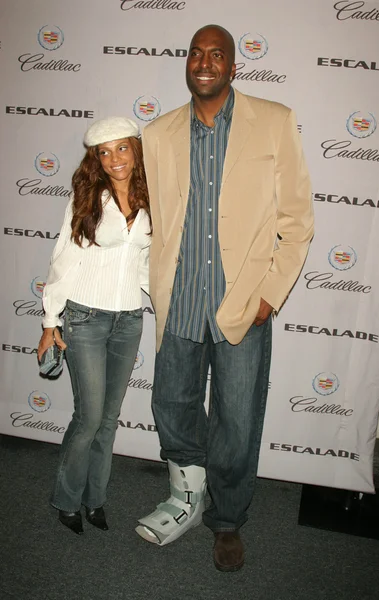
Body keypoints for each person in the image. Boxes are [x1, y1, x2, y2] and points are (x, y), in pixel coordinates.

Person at [135, 24, 314, 571]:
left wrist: (270, 296)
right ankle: (186, 497)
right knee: (173, 405)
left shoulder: (275, 121)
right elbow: (146, 219)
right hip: (181, 301)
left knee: (237, 420)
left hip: (243, 306)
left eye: (217, 54)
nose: (204, 61)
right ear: (186, 64)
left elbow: (297, 220)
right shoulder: (157, 133)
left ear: (234, 66)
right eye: (196, 53)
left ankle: (227, 519)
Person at [37, 117, 151, 535]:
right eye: (104, 152)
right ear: (95, 159)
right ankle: (67, 500)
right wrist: (51, 320)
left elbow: (142, 264)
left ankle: (95, 499)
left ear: (136, 149)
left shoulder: (148, 197)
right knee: (87, 419)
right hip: (85, 317)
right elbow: (63, 259)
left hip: (130, 319)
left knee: (109, 418)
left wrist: (165, 301)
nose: (114, 159)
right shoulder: (87, 197)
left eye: (121, 148)